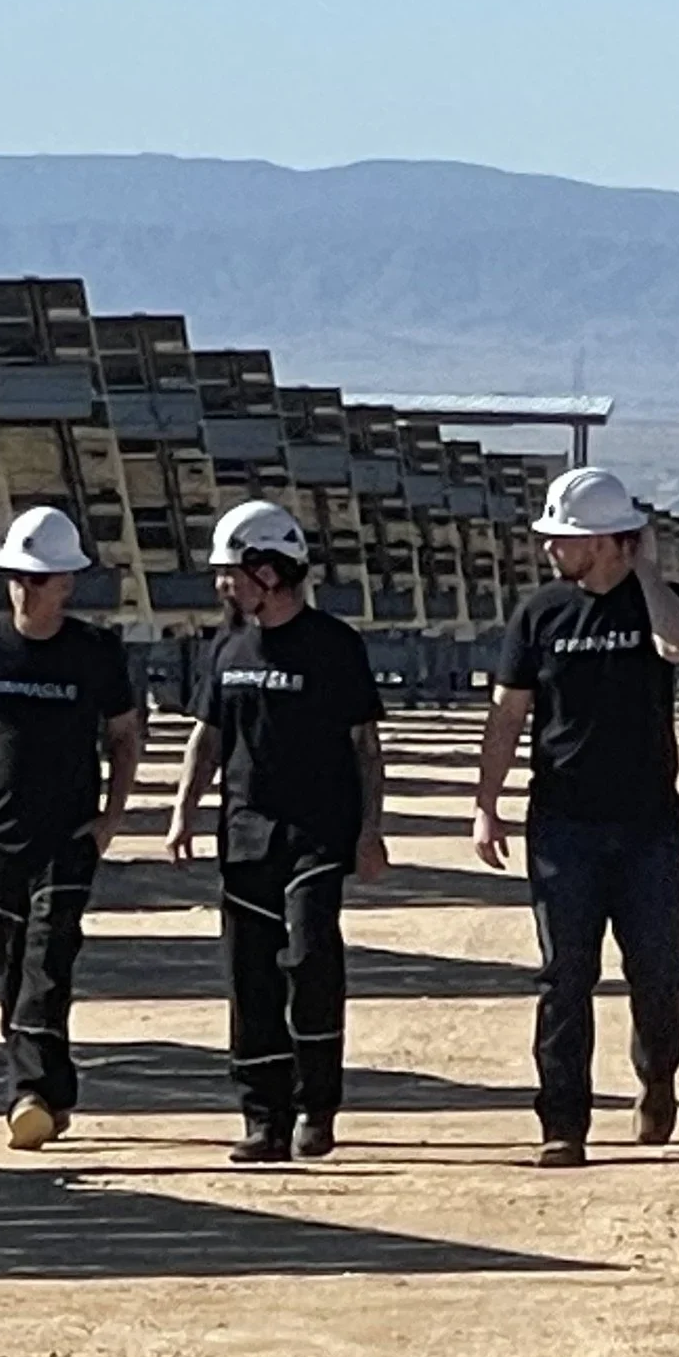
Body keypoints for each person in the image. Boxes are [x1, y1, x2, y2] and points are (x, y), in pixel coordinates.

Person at [470, 464, 679, 1169]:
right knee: (563, 975)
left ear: (610, 542)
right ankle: (562, 1121)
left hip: (648, 826)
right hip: (562, 825)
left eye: (566, 539)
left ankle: (656, 1072)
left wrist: (651, 573)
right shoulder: (539, 614)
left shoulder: (661, 604)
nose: (551, 550)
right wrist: (486, 804)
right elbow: (508, 713)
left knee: (658, 972)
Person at [165, 498, 388, 1165]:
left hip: (318, 834)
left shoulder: (335, 646)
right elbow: (206, 739)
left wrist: (370, 830)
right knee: (250, 978)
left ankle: (318, 1104)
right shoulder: (227, 648)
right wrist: (182, 813)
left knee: (312, 958)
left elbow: (365, 748)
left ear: (267, 571)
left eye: (230, 571)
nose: (221, 585)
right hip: (245, 835)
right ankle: (264, 1117)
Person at [0, 505, 145, 1150]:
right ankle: (51, 1094)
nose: (25, 590)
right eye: (17, 578)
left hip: (68, 838)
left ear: (67, 584)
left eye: (39, 579)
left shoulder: (96, 652)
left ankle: (24, 1095)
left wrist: (111, 817)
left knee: (49, 963)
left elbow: (124, 737)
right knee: (11, 972)